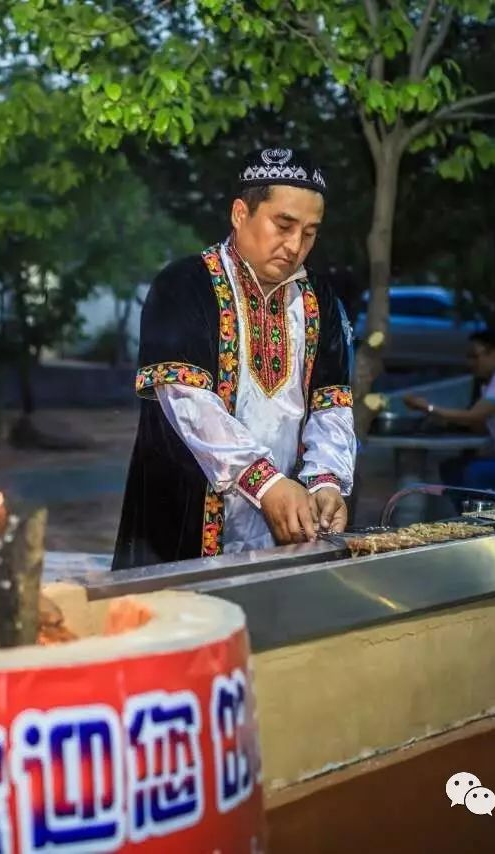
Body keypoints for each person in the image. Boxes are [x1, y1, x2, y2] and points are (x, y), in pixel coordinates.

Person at [113, 147, 356, 570]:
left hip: (287, 523)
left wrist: (326, 481)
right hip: (185, 524)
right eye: (283, 225)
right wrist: (266, 483)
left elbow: (331, 405)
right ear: (240, 213)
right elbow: (188, 403)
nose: (296, 245)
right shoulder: (184, 285)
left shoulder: (320, 299)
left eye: (311, 232)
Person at [403, 329, 495, 495]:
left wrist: (428, 407)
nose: (470, 363)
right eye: (468, 357)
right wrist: (444, 421)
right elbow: (478, 424)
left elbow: (473, 416)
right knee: (451, 468)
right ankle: (466, 514)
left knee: (474, 473)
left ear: (494, 354)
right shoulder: (491, 383)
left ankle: (480, 518)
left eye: (475, 356)